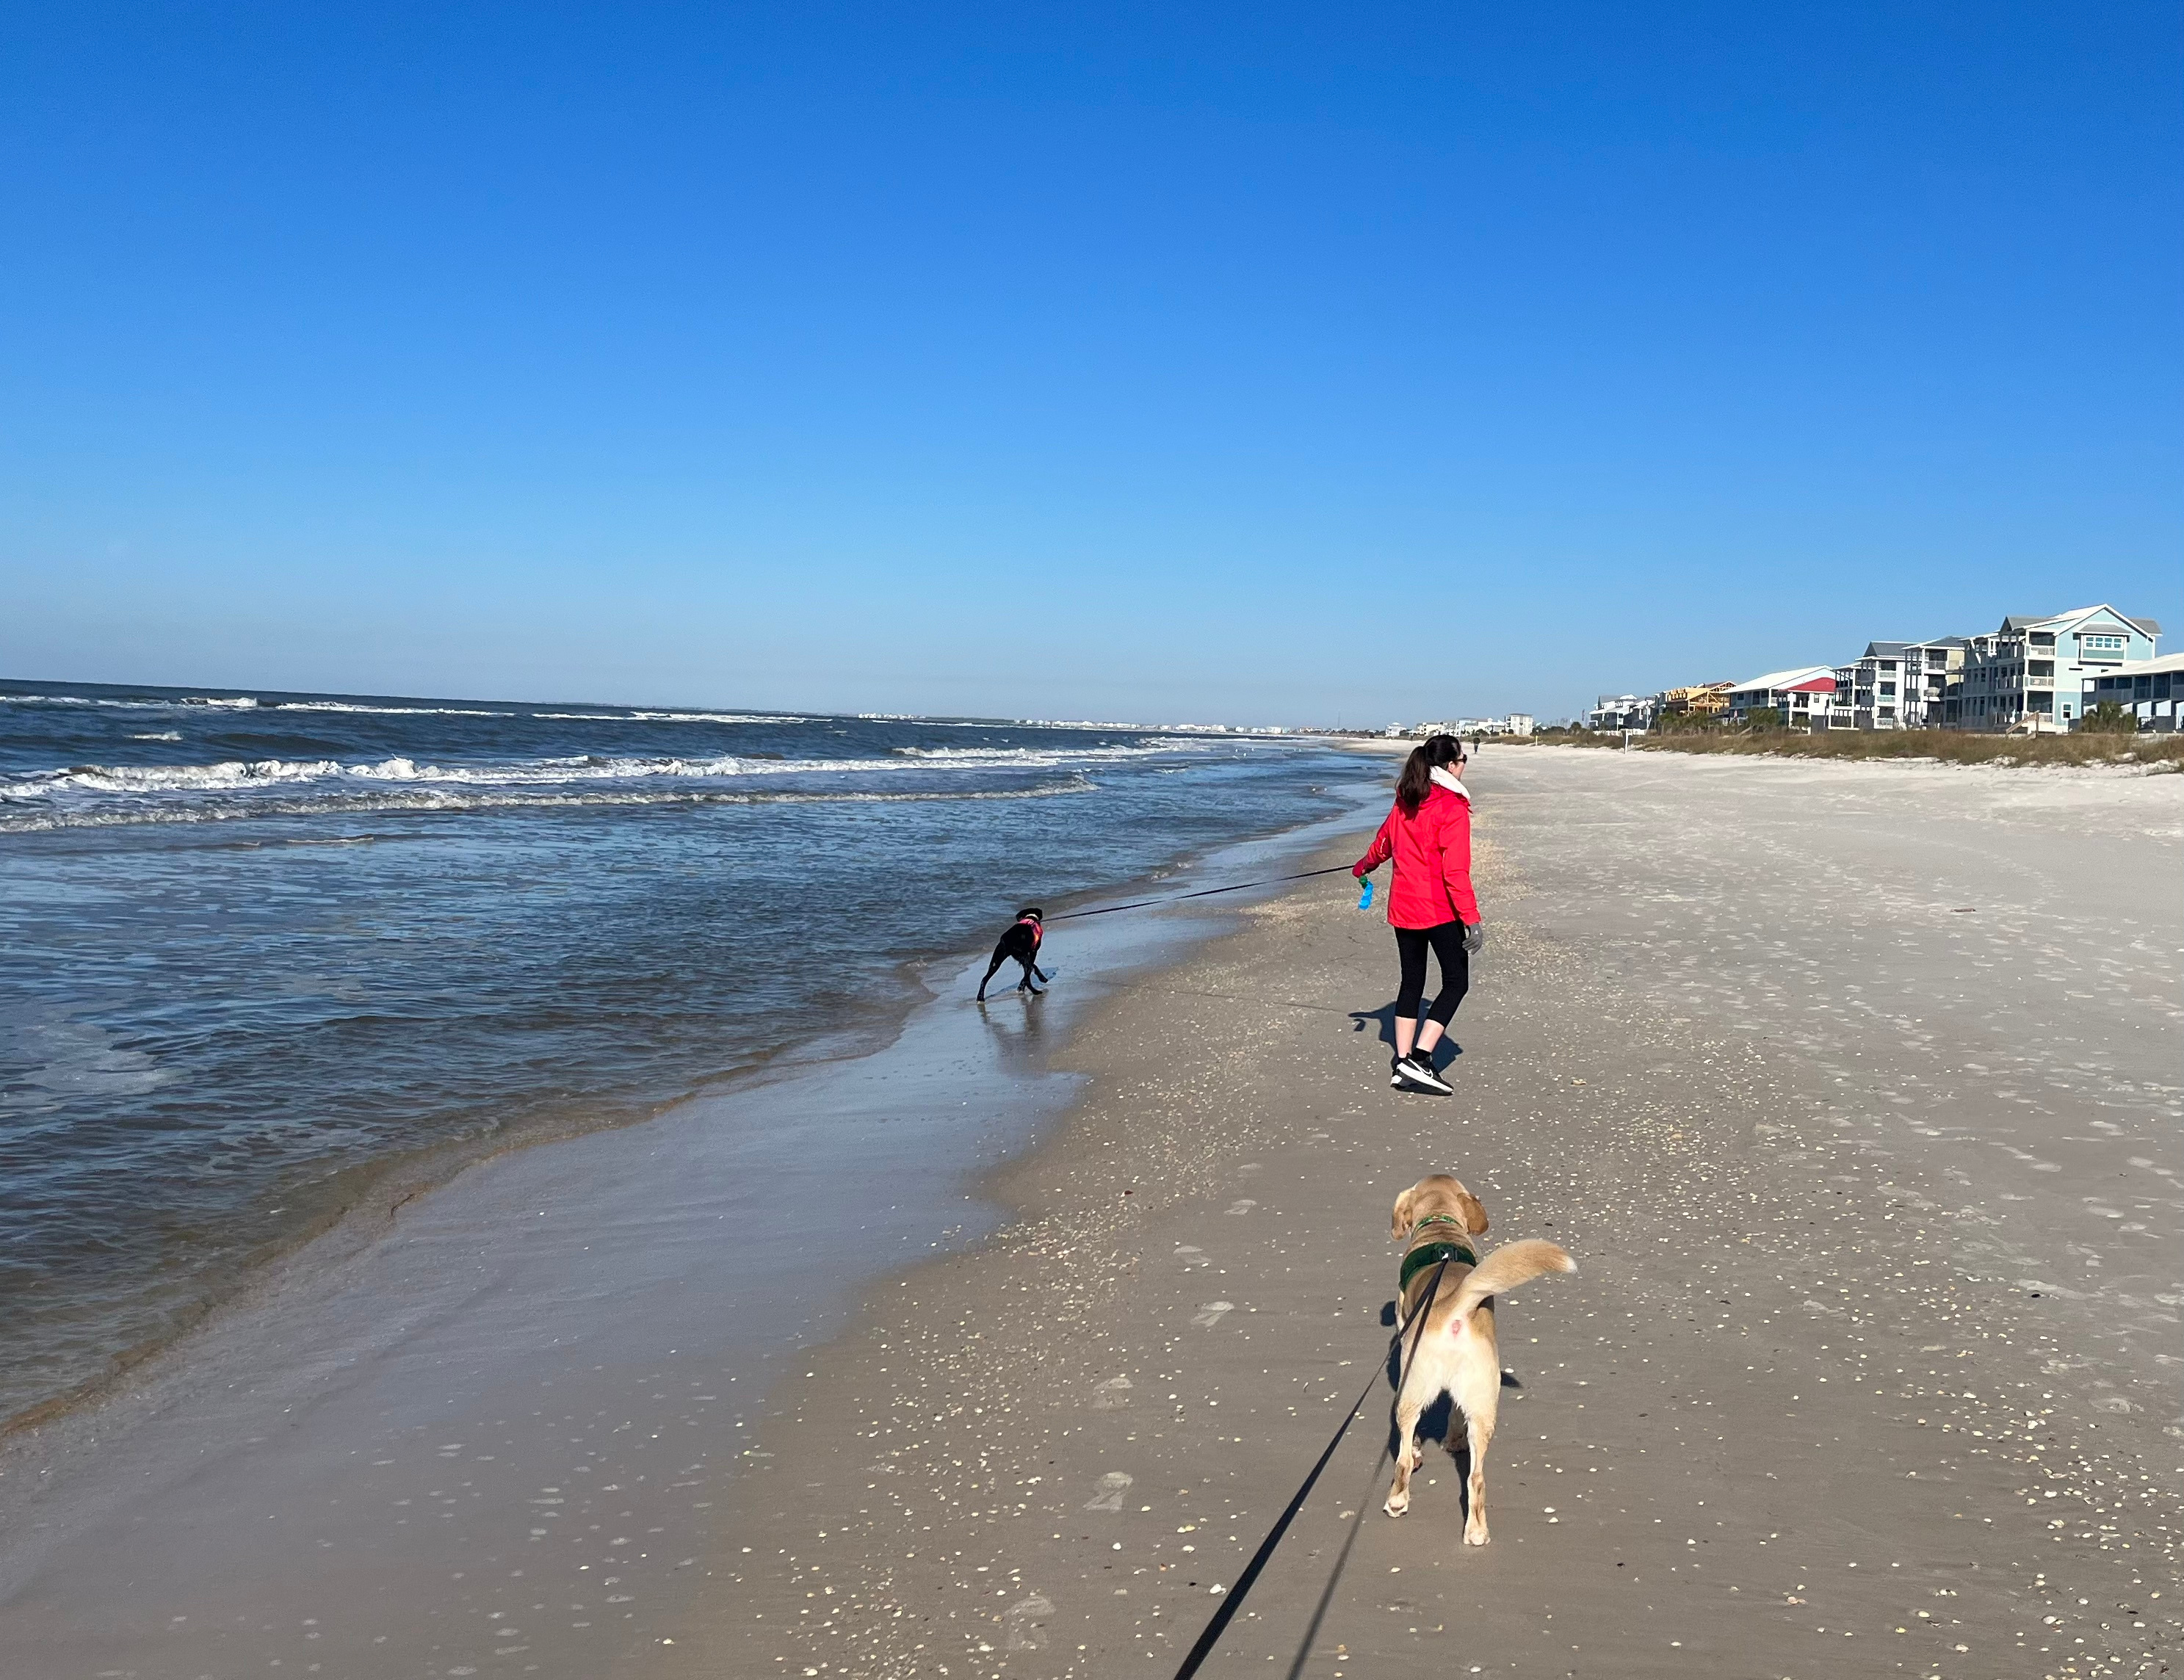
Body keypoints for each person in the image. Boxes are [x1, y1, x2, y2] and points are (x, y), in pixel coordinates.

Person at [1351, 734, 1483, 1094]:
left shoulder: (1407, 798)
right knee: (1456, 982)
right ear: (1451, 766)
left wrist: (1365, 865)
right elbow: (1455, 872)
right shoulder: (1451, 807)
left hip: (1404, 907)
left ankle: (1403, 1062)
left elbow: (1383, 844)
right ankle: (1419, 1059)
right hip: (1439, 910)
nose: (1464, 767)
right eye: (1463, 761)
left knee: (1412, 982)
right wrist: (1472, 919)